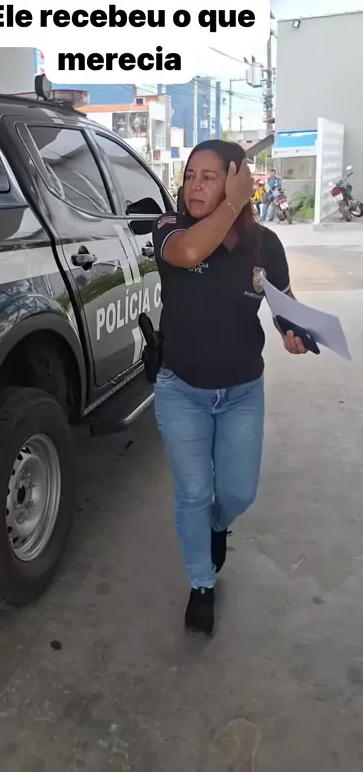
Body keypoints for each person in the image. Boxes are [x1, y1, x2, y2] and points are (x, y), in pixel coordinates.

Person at [152, 140, 307, 636]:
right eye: (189, 176)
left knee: (238, 492)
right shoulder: (171, 229)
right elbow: (192, 252)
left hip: (241, 391)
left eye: (209, 177)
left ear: (235, 179)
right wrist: (235, 201)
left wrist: (292, 329)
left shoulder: (265, 245)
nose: (194, 186)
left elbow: (282, 300)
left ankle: (218, 525)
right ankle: (202, 585)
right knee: (193, 493)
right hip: (181, 389)